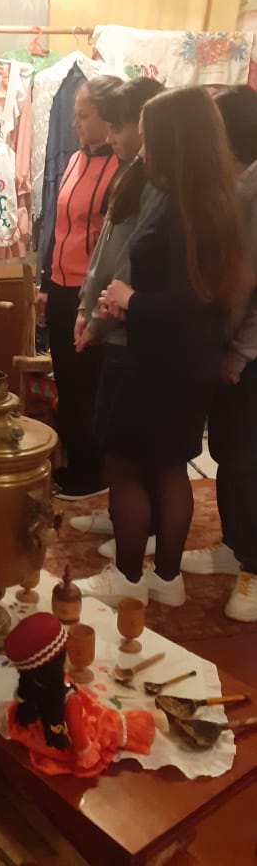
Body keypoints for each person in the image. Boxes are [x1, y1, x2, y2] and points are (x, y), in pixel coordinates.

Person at [80, 87, 246, 608]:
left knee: (126, 469)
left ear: (175, 141)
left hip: (153, 361)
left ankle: (129, 580)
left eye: (151, 139)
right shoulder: (212, 201)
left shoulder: (181, 208)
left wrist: (129, 300)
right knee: (170, 468)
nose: (143, 149)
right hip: (186, 362)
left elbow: (195, 300)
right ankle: (167, 580)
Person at [69, 78, 164, 546]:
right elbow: (104, 251)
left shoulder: (158, 186)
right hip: (110, 320)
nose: (112, 136)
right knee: (114, 438)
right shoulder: (132, 172)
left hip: (130, 330)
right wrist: (85, 308)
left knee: (135, 449)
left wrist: (98, 319)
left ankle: (140, 544)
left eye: (121, 127)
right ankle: (120, 513)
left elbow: (128, 265)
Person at [179, 86, 257, 622]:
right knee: (231, 451)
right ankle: (235, 545)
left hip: (249, 353)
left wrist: (239, 353)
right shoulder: (238, 187)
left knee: (248, 458)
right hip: (234, 346)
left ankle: (253, 567)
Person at [36, 75, 122, 499]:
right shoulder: (72, 160)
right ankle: (73, 463)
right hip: (59, 287)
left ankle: (93, 473)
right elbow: (57, 227)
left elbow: (115, 242)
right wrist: (45, 283)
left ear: (109, 119)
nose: (75, 124)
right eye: (75, 115)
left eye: (83, 116)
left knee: (88, 386)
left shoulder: (123, 169)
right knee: (66, 383)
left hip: (91, 293)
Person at [3, 613, 157, 777]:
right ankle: (152, 720)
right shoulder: (68, 699)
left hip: (41, 731)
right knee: (109, 725)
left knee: (94, 708)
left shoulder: (33, 685)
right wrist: (87, 751)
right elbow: (80, 741)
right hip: (63, 741)